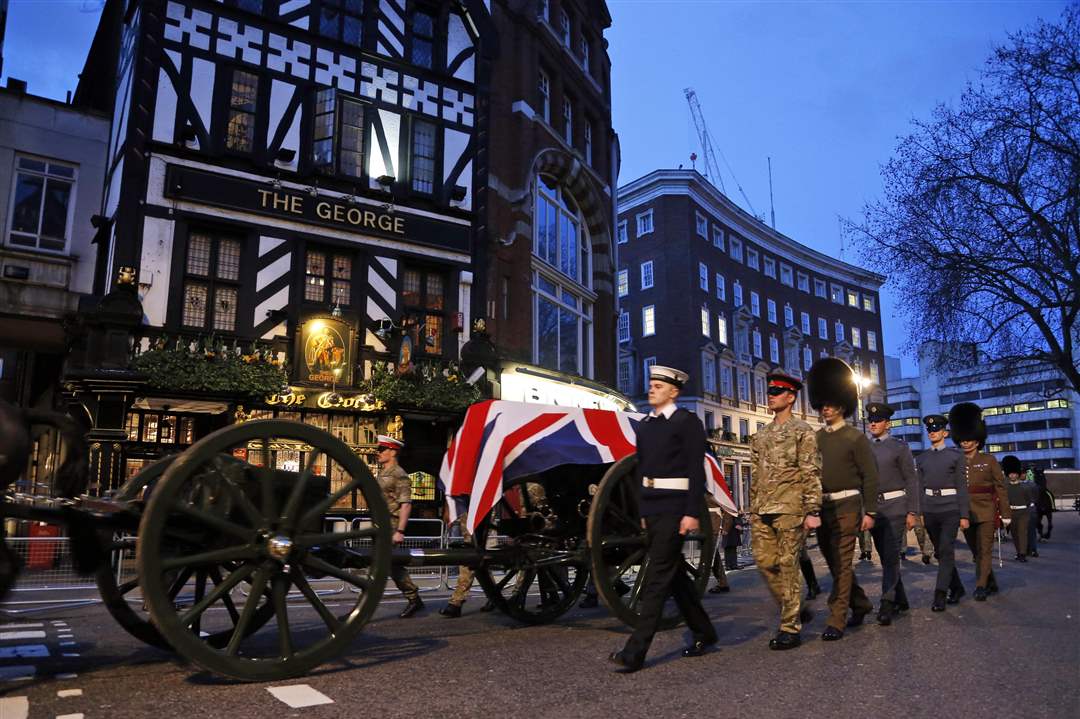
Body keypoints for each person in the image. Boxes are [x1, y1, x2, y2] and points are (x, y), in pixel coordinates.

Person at [608, 366, 717, 672]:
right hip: (653, 508)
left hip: (675, 507)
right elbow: (640, 470)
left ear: (674, 392)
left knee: (656, 578)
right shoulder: (645, 425)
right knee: (674, 575)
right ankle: (704, 631)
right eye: (651, 385)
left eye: (658, 386)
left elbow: (696, 469)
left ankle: (635, 651)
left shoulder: (687, 422)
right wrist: (641, 512)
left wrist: (691, 512)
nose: (652, 389)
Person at [748, 371, 822, 651]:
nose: (771, 395)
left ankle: (790, 628)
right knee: (765, 562)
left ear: (790, 397)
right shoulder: (762, 435)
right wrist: (753, 508)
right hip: (763, 509)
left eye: (777, 391)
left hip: (791, 508)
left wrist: (812, 509)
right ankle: (794, 606)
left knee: (789, 566)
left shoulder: (803, 431)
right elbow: (756, 475)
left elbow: (810, 471)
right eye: (770, 391)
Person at [806, 358, 878, 641]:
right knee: (834, 562)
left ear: (843, 404)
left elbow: (870, 476)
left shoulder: (855, 438)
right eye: (822, 403)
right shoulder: (815, 438)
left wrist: (869, 510)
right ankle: (860, 603)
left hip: (849, 505)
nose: (826, 408)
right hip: (823, 506)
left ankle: (837, 618)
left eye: (831, 402)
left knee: (844, 561)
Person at [949, 403, 1010, 601]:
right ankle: (990, 580)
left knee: (985, 549)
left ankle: (981, 586)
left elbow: (1000, 488)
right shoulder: (955, 460)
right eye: (962, 440)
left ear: (977, 440)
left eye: (969, 439)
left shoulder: (989, 460)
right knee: (976, 551)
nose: (965, 443)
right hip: (965, 513)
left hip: (986, 511)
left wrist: (1006, 513)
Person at [865, 402, 918, 625]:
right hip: (874, 509)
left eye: (878, 420)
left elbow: (911, 479)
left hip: (896, 507)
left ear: (888, 423)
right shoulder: (864, 448)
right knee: (888, 556)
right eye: (871, 420)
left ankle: (887, 603)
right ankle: (901, 599)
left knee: (890, 555)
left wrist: (912, 510)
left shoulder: (899, 447)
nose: (873, 423)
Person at [915, 414, 970, 612]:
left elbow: (962, 487)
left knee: (946, 550)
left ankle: (940, 594)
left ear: (945, 433)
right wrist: (919, 512)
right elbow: (919, 487)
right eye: (929, 430)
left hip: (950, 510)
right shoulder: (921, 459)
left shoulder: (956, 456)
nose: (932, 432)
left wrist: (964, 515)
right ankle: (957, 588)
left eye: (936, 429)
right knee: (940, 553)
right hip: (930, 510)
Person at [376, 435, 424, 618]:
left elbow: (406, 504)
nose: (378, 453)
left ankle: (413, 597)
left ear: (393, 451)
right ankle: (414, 598)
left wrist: (400, 531)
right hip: (380, 523)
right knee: (391, 565)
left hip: (391, 524)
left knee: (384, 565)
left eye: (382, 449)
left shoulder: (399, 474)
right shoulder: (383, 472)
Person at [439, 499, 474, 617]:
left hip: (477, 509)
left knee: (471, 556)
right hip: (466, 509)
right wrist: (448, 510)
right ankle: (494, 595)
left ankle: (457, 601)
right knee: (477, 559)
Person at [1001, 455, 1031, 562]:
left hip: (1023, 512)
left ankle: (1023, 554)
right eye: (1011, 474)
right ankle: (1019, 552)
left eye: (1014, 474)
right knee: (1014, 534)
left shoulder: (1025, 487)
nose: (1013, 475)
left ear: (1018, 474)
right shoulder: (1006, 487)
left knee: (1022, 532)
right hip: (1011, 512)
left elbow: (1029, 500)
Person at [708, 500, 731, 593]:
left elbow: (727, 508)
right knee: (710, 556)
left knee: (712, 555)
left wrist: (726, 526)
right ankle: (722, 582)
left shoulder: (714, 489)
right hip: (702, 525)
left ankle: (723, 583)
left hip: (714, 524)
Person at [1034, 470, 1055, 541]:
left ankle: (1052, 506)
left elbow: (1045, 482)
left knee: (1050, 494)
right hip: (1036, 489)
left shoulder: (1041, 475)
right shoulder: (1035, 475)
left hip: (1043, 489)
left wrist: (1043, 487)